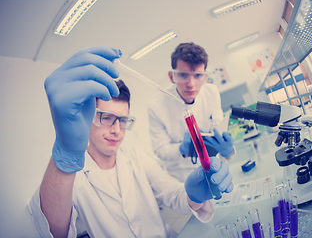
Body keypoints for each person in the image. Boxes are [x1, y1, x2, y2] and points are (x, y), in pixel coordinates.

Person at [29, 46, 234, 238]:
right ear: (87, 116)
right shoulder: (71, 177)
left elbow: (174, 194)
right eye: (107, 117)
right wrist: (65, 152)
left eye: (123, 120)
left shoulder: (137, 159)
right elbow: (52, 231)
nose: (116, 130)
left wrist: (194, 196)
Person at [148, 42, 236, 182]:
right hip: (182, 176)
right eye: (183, 75)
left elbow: (218, 127)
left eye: (198, 75)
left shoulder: (211, 92)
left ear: (205, 77)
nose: (191, 83)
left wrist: (228, 151)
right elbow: (160, 149)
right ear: (172, 77)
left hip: (214, 167)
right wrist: (182, 148)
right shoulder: (156, 105)